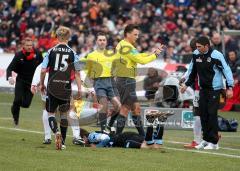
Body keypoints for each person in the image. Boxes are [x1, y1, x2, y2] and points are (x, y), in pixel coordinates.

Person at [181, 36, 234, 150]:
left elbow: (226, 69)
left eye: (199, 46)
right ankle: (206, 140)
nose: (197, 48)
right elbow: (193, 71)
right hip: (202, 89)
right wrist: (186, 84)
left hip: (214, 89)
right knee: (203, 114)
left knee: (211, 114)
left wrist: (230, 87)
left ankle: (214, 143)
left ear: (206, 46)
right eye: (196, 47)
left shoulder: (217, 55)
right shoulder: (196, 54)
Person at [113, 24, 164, 136]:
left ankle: (141, 135)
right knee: (126, 109)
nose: (137, 37)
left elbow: (138, 55)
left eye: (138, 35)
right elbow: (141, 61)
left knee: (135, 108)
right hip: (126, 80)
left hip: (125, 80)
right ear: (127, 34)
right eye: (135, 34)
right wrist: (155, 55)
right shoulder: (127, 47)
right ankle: (119, 136)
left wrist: (150, 53)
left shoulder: (123, 45)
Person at [40, 26, 82, 150]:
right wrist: (79, 89)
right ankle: (62, 142)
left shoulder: (50, 51)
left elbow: (43, 70)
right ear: (68, 38)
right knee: (64, 115)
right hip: (65, 87)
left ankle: (55, 132)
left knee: (50, 113)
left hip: (52, 87)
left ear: (57, 37)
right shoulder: (73, 53)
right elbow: (78, 73)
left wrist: (42, 84)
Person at [82, 32, 121, 132]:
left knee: (118, 106)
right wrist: (88, 88)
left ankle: (109, 125)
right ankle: (103, 130)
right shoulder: (91, 55)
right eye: (100, 40)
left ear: (106, 42)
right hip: (99, 83)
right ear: (97, 41)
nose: (102, 42)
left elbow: (117, 67)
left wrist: (115, 72)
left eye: (104, 40)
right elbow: (88, 73)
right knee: (104, 106)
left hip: (110, 83)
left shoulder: (112, 55)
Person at [6, 37, 43, 126]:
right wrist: (10, 77)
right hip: (21, 81)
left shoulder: (38, 54)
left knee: (26, 104)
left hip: (32, 83)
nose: (29, 47)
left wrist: (41, 82)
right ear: (23, 46)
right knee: (17, 99)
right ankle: (16, 118)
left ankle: (14, 106)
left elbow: (42, 67)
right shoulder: (19, 55)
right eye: (27, 45)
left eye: (31, 45)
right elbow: (10, 68)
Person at [182, 38, 202, 148]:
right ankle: (213, 135)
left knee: (197, 114)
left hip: (200, 90)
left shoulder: (197, 56)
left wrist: (184, 79)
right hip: (210, 89)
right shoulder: (212, 55)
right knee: (207, 114)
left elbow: (191, 70)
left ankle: (197, 140)